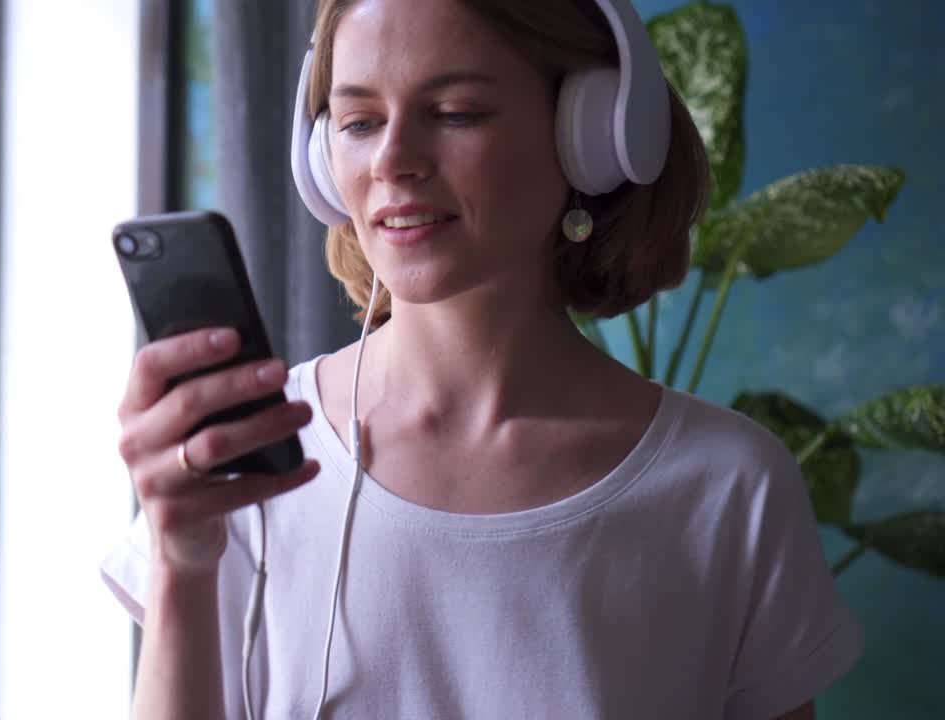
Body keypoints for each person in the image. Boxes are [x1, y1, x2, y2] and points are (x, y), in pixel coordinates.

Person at [101, 0, 864, 718]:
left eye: (456, 112)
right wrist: (181, 562)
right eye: (360, 121)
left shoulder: (729, 486)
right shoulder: (247, 461)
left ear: (591, 135)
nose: (393, 160)